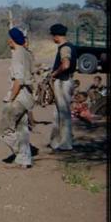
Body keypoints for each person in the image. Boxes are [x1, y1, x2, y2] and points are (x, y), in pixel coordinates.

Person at [0, 27, 35, 168]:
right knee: (22, 129)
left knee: (5, 129)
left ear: (12, 39)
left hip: (19, 97)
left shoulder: (17, 55)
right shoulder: (27, 53)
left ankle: (20, 154)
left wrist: (11, 98)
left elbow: (18, 80)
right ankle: (25, 160)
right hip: (27, 96)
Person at [48, 24, 78, 152]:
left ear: (56, 36)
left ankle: (65, 144)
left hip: (63, 81)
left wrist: (53, 74)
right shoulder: (69, 46)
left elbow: (65, 65)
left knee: (64, 113)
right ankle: (57, 141)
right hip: (65, 80)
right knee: (59, 112)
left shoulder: (65, 48)